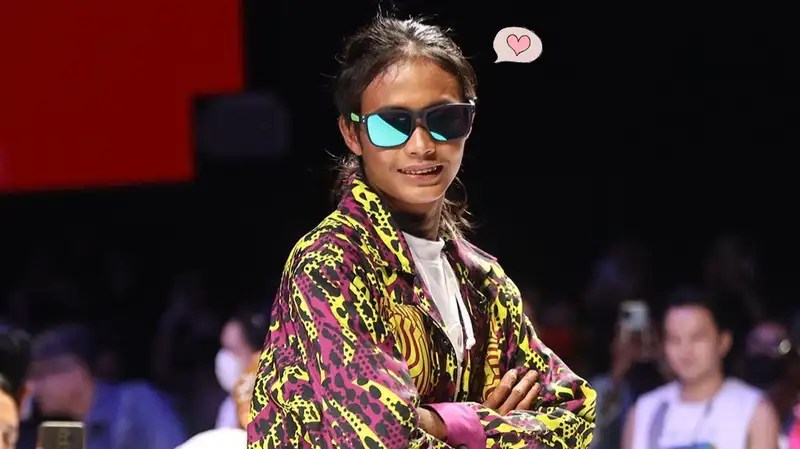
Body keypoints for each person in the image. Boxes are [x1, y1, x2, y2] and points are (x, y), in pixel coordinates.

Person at [247, 14, 596, 449]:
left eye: (444, 119)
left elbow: (577, 413)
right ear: (352, 133)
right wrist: (476, 422)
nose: (422, 145)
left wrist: (439, 422)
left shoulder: (485, 283)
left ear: (470, 121)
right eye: (391, 124)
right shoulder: (331, 263)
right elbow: (382, 439)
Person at [621, 286, 780, 449]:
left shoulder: (752, 410)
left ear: (723, 342)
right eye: (674, 339)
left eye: (696, 338)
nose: (685, 350)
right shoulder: (644, 412)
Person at [27, 323, 187, 449]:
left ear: (77, 373)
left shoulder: (137, 405)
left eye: (41, 375)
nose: (32, 387)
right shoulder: (65, 435)